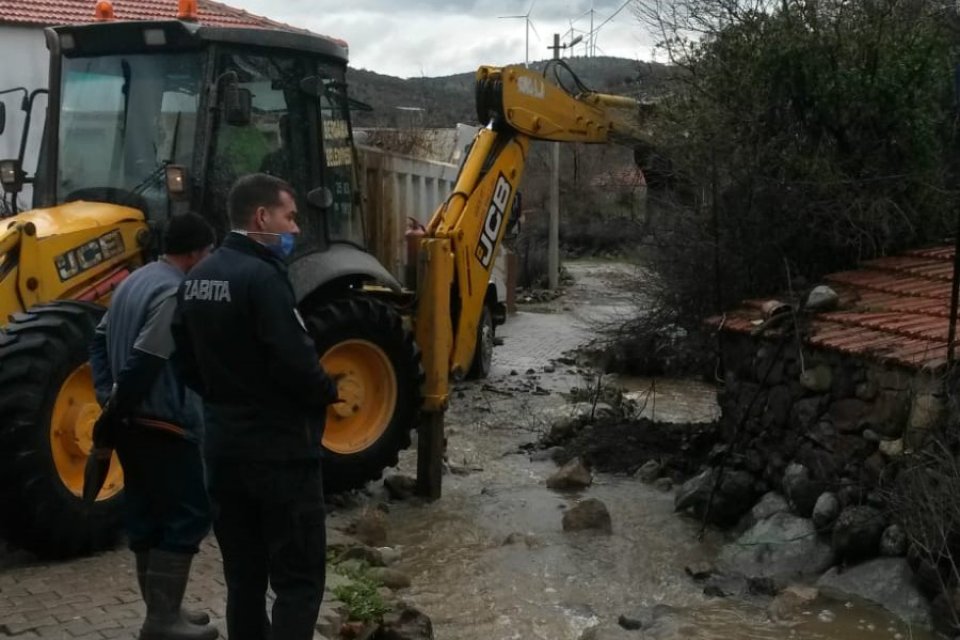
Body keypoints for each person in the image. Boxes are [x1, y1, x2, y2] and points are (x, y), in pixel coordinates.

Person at [172, 173, 340, 640]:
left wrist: (223, 398)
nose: (295, 229)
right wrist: (327, 390)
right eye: (289, 217)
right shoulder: (263, 278)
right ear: (262, 217)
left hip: (223, 450)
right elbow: (296, 362)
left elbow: (182, 358)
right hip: (280, 454)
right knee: (298, 580)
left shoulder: (198, 276)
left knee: (243, 578)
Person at [89, 212, 217, 640]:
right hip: (164, 423)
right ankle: (162, 621)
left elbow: (98, 338)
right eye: (209, 253)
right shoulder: (174, 291)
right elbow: (149, 357)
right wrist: (121, 400)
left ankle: (166, 610)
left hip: (130, 422)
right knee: (188, 514)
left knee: (146, 515)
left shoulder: (134, 280)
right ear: (197, 252)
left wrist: (107, 397)